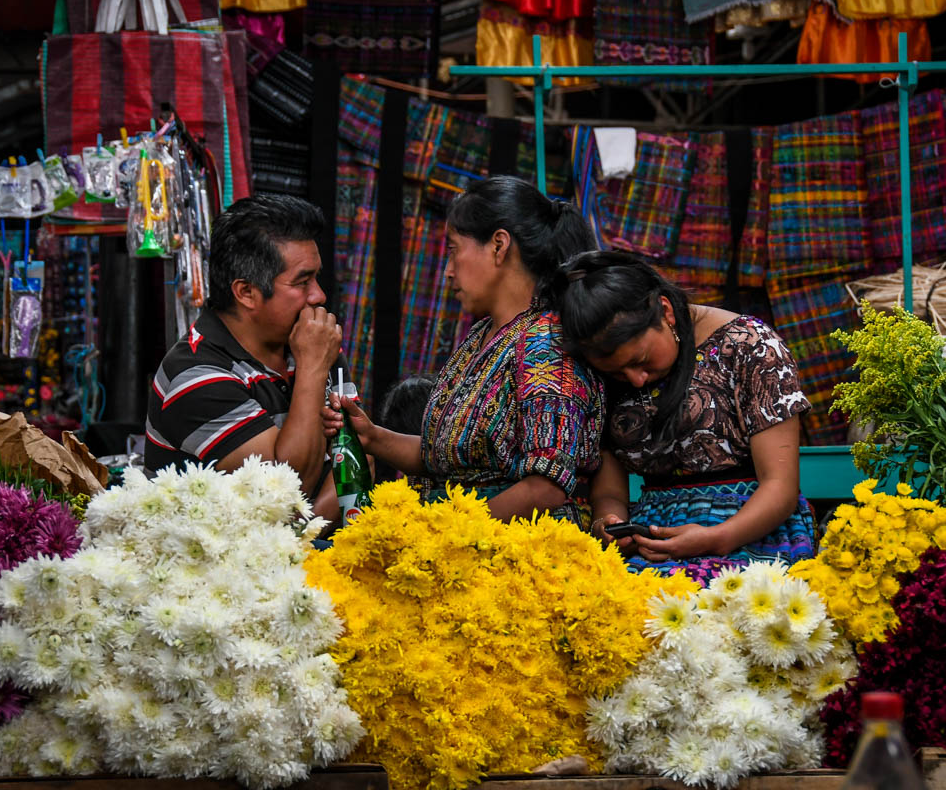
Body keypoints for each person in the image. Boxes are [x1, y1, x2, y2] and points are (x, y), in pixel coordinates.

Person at [325, 176, 605, 525]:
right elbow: (442, 457)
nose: (448, 271)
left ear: (499, 246)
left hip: (524, 551)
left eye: (454, 249)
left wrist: (448, 533)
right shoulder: (483, 337)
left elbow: (545, 487)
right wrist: (372, 436)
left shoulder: (545, 346)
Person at [556, 250, 815, 584]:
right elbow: (611, 490)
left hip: (750, 531)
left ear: (665, 312)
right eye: (618, 373)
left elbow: (780, 486)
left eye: (642, 360)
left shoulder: (750, 346)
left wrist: (716, 538)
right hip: (652, 537)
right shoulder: (605, 375)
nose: (636, 380)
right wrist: (610, 521)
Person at [144, 194, 345, 521]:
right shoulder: (196, 375)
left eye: (316, 278)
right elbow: (286, 495)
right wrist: (312, 368)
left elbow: (359, 457)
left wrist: (304, 526)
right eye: (302, 281)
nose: (319, 296)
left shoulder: (310, 345)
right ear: (246, 292)